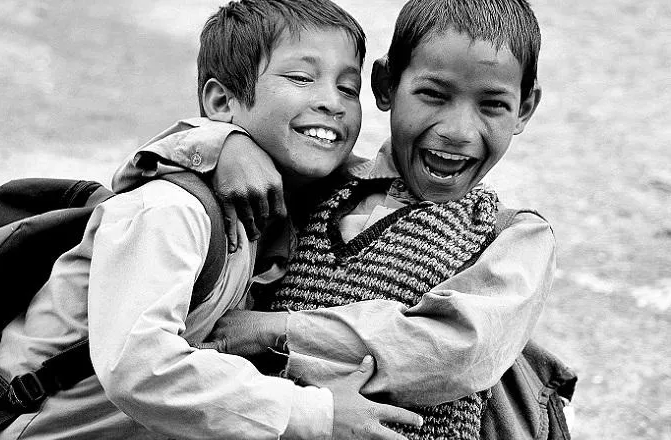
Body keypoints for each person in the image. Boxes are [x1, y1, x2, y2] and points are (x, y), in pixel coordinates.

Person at [0, 1, 423, 439]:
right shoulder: (171, 210)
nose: (332, 102)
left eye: (348, 88)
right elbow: (140, 368)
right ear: (221, 101)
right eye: (300, 78)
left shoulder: (289, 208)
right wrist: (316, 413)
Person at [132, 0, 555, 438]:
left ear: (525, 108)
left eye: (493, 105)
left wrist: (279, 331)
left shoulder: (514, 236)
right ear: (386, 84)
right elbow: (143, 173)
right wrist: (224, 143)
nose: (459, 131)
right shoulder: (314, 183)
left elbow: (459, 348)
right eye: (433, 94)